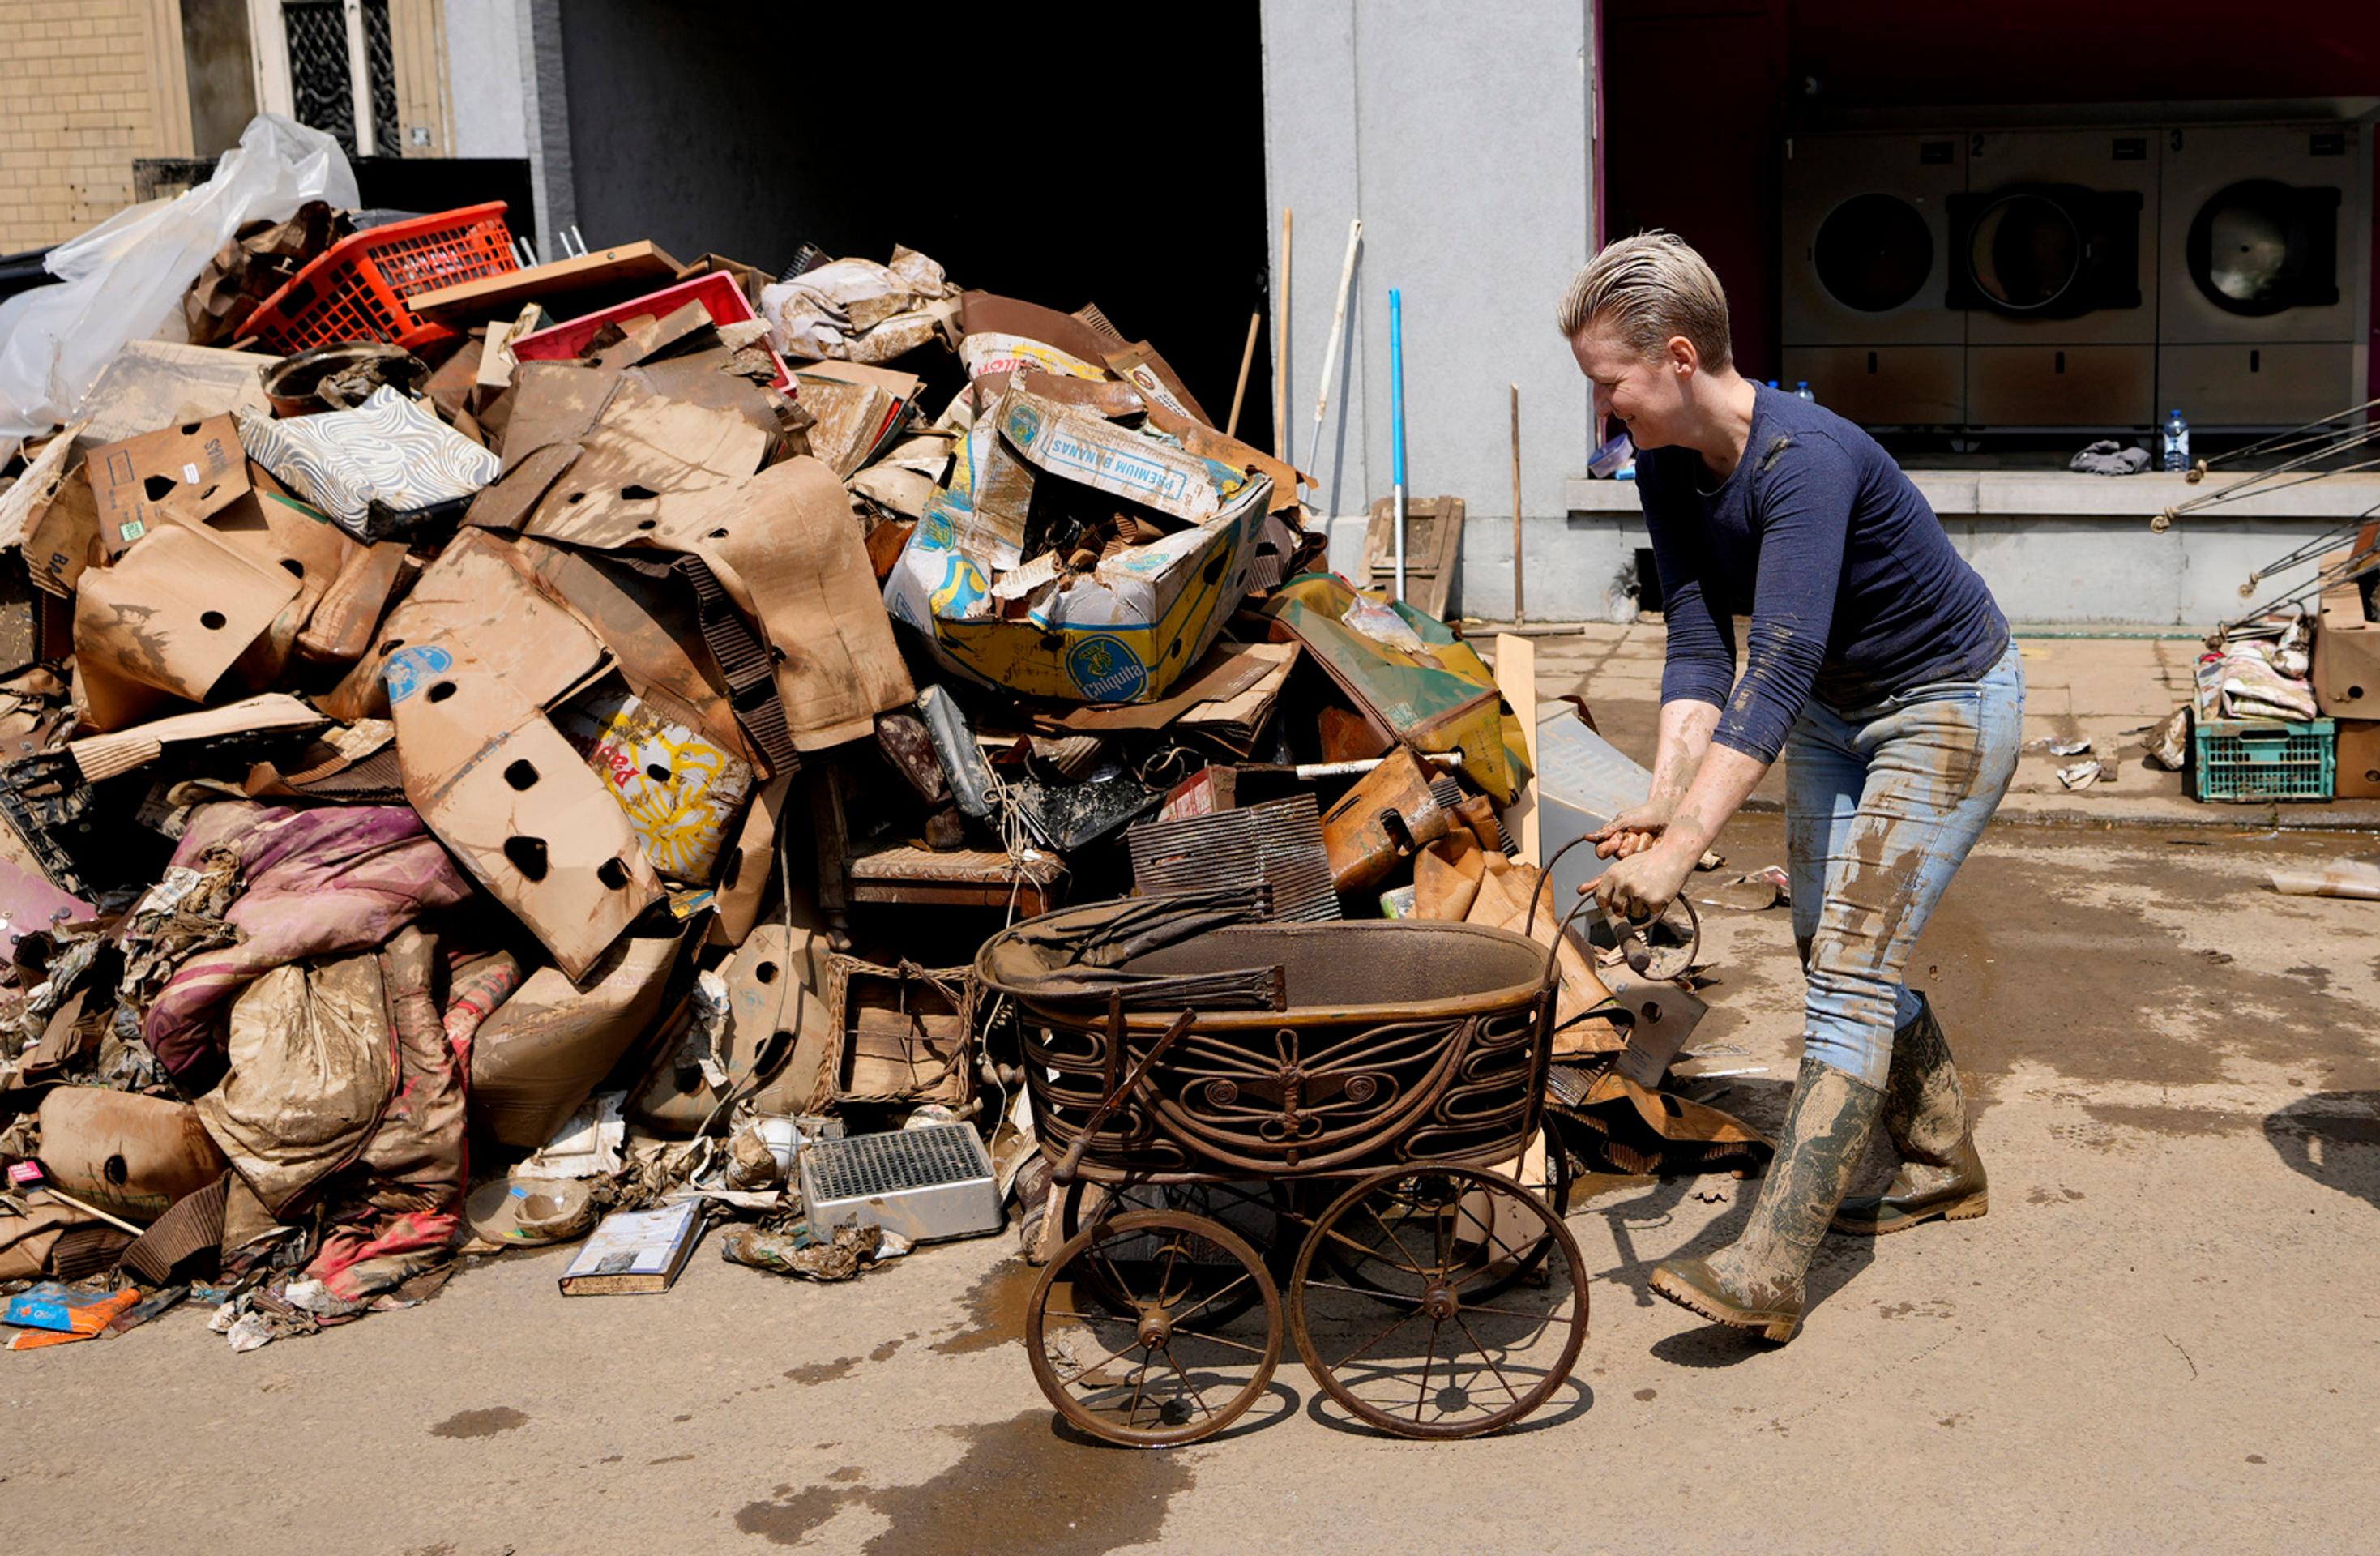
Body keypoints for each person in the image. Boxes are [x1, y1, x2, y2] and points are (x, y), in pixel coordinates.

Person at [1556, 232, 2023, 1343]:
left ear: (1676, 357)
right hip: (1832, 712)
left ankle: (1768, 1265)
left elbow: (1774, 668)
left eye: (1607, 385)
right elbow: (1696, 648)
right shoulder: (1670, 466)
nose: (1603, 411)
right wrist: (1665, 795)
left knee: (1851, 971)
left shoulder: (1805, 460)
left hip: (1944, 705)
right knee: (1826, 942)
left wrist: (1681, 851)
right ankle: (1936, 1162)